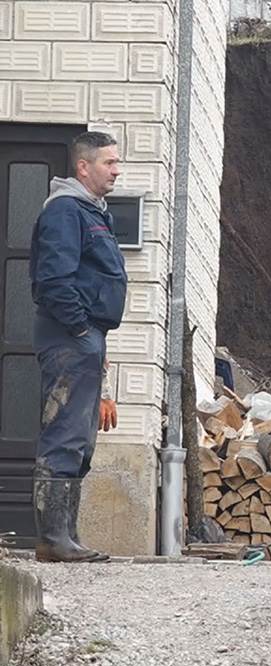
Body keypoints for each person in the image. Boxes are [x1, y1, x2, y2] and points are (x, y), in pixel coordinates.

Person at [29, 131, 127, 562]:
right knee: (65, 434)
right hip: (69, 337)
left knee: (80, 440)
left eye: (117, 162)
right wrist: (82, 330)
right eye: (109, 162)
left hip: (86, 339)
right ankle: (53, 540)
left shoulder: (93, 213)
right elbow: (54, 280)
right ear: (83, 166)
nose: (116, 170)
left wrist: (95, 341)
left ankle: (65, 536)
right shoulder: (67, 211)